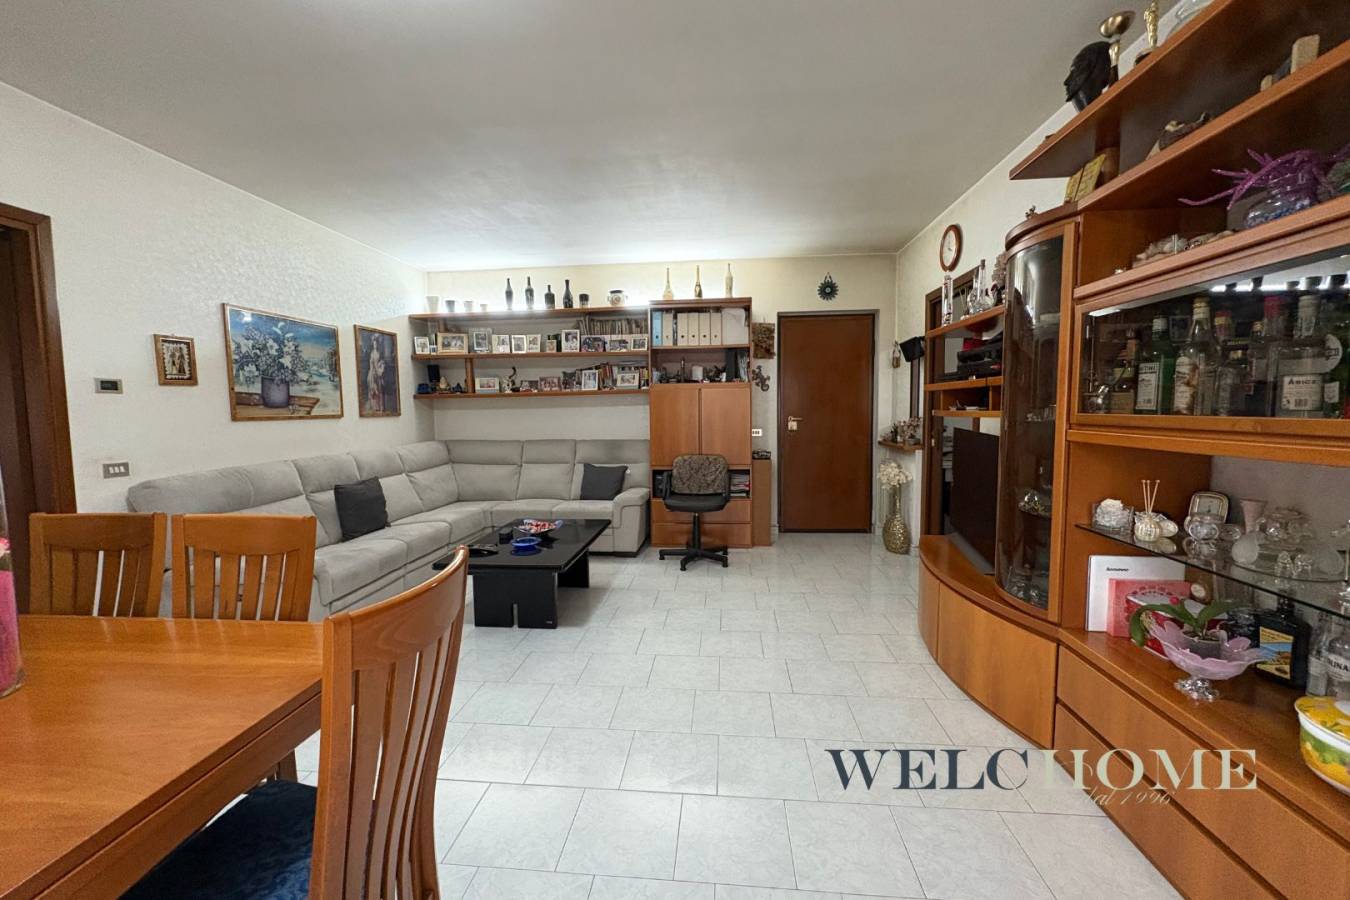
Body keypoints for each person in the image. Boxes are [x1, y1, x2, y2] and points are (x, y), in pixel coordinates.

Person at [366, 339, 386, 412]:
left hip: (378, 371)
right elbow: (371, 363)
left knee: (379, 389)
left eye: (376, 344)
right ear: (373, 345)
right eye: (374, 344)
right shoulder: (372, 353)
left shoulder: (379, 353)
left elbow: (381, 362)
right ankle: (374, 407)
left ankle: (380, 407)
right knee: (373, 389)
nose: (375, 345)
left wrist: (379, 368)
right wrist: (372, 371)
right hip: (373, 372)